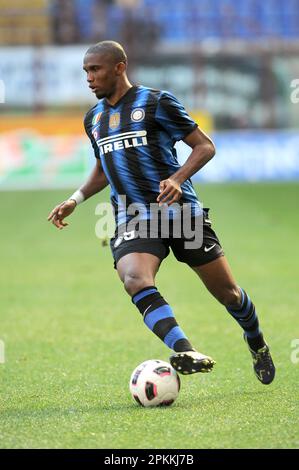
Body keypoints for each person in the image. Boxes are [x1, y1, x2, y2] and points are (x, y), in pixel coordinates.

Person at [48, 41, 275, 384]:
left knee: (227, 293)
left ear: (119, 67)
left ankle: (256, 341)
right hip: (132, 217)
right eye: (86, 72)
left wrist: (178, 178)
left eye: (95, 70)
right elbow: (103, 167)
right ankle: (185, 349)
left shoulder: (156, 102)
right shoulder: (93, 118)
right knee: (134, 279)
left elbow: (205, 146)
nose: (89, 79)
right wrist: (76, 198)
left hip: (181, 213)